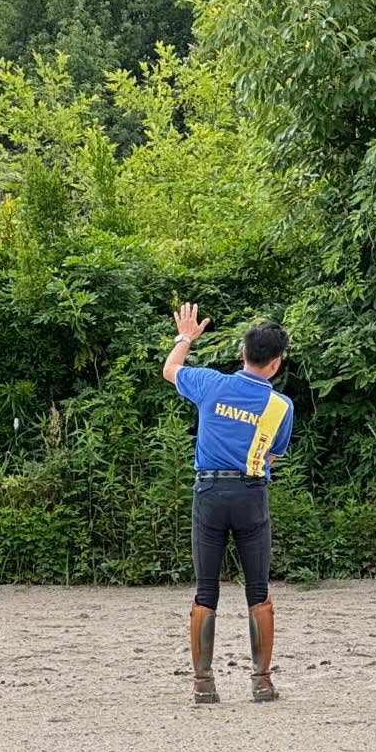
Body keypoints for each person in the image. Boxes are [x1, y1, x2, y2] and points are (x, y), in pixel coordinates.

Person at [162, 302, 293, 704]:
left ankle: (203, 685)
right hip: (251, 494)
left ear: (242, 354)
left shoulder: (211, 384)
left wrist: (185, 336)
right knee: (258, 588)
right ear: (276, 363)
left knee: (206, 589)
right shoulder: (281, 407)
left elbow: (170, 370)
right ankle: (262, 682)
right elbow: (272, 455)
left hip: (209, 493)